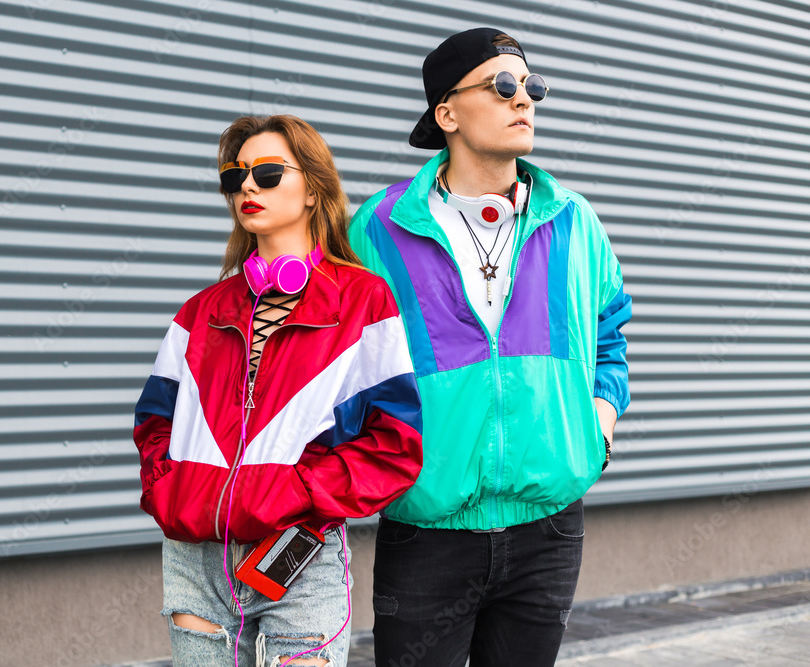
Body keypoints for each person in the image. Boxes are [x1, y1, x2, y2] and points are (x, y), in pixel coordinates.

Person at [348, 28, 632, 666]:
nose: (524, 100)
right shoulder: (378, 229)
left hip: (549, 528)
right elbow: (343, 363)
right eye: (503, 85)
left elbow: (611, 332)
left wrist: (599, 423)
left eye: (532, 87)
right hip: (427, 529)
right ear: (445, 113)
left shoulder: (573, 219)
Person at [134, 114, 423, 667]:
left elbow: (395, 444)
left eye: (267, 173)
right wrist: (171, 492)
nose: (247, 186)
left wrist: (297, 493)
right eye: (234, 176)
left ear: (313, 188)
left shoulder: (362, 302)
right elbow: (154, 424)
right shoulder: (202, 312)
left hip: (297, 552)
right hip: (196, 559)